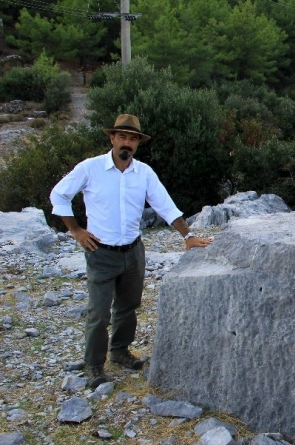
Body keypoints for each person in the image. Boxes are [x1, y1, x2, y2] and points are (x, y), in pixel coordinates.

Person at [50, 114, 213, 389]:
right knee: (99, 313)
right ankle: (94, 365)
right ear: (112, 138)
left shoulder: (144, 173)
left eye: (133, 139)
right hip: (100, 252)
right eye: (123, 137)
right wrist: (76, 230)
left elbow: (164, 204)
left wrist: (189, 235)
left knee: (128, 307)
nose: (127, 143)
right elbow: (59, 194)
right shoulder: (90, 168)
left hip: (134, 251)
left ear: (138, 143)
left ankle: (120, 352)